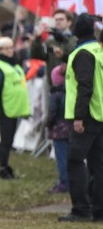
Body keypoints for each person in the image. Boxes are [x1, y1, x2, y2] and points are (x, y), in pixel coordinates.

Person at [58, 14, 103, 222]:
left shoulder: (82, 53)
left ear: (76, 31)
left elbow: (85, 86)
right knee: (98, 164)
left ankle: (81, 210)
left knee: (75, 160)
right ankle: (99, 210)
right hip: (99, 114)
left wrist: (79, 117)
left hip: (87, 117)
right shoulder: (98, 50)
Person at [0, 37, 31, 180]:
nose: (9, 50)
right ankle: (3, 169)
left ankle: (6, 167)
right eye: (6, 48)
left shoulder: (15, 65)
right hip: (5, 107)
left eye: (11, 47)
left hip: (16, 108)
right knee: (5, 141)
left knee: (10, 141)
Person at [46, 64, 71, 194]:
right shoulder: (71, 93)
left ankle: (63, 183)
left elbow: (51, 114)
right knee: (73, 159)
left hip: (58, 131)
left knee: (61, 159)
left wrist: (48, 125)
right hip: (71, 130)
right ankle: (73, 182)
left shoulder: (55, 95)